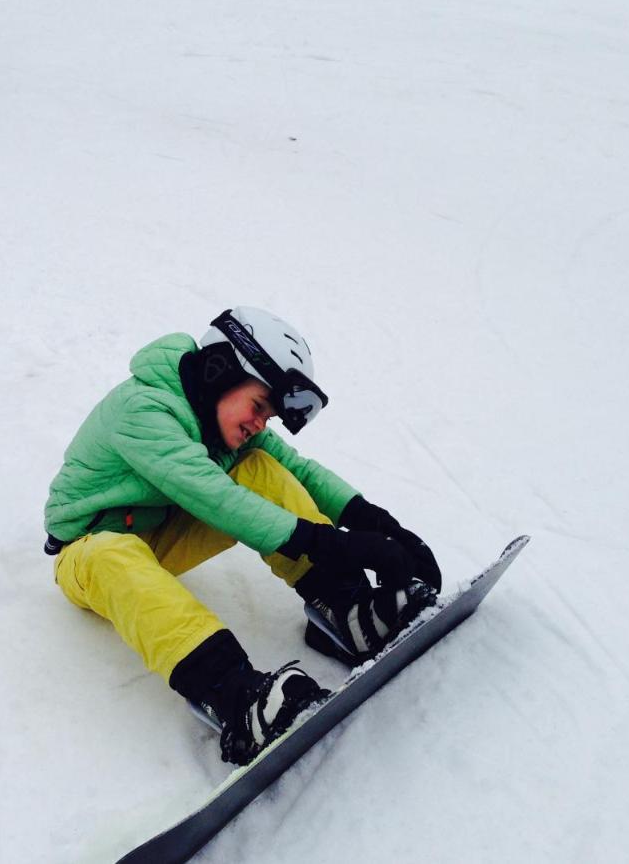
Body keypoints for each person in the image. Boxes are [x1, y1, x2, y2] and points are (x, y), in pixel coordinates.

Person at [43, 306, 441, 765]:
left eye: (268, 415)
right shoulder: (143, 410)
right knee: (113, 553)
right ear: (220, 371)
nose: (259, 423)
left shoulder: (219, 422)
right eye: (258, 406)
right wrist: (336, 543)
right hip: (89, 554)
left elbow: (299, 471)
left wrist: (380, 524)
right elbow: (214, 497)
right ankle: (234, 698)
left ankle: (347, 608)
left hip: (160, 533)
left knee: (259, 467)